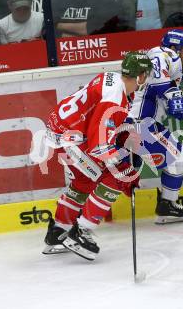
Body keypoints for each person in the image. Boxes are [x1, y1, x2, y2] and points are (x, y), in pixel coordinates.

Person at [42, 51, 153, 261]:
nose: (146, 79)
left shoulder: (111, 78)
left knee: (84, 181)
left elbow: (103, 120)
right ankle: (81, 231)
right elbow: (100, 141)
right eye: (145, 75)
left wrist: (124, 141)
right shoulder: (116, 98)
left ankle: (58, 232)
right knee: (117, 175)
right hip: (72, 141)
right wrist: (123, 165)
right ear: (139, 76)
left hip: (61, 134)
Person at [125, 29, 183, 224]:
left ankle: (166, 204)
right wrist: (176, 96)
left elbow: (174, 70)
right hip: (138, 124)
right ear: (173, 48)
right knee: (178, 157)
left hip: (141, 124)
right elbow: (160, 80)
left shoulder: (170, 59)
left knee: (177, 157)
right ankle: (167, 205)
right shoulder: (158, 55)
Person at [52, 0, 120, 37]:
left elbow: (94, 28)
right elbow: (49, 28)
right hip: (65, 45)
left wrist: (59, 25)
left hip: (96, 45)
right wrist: (63, 35)